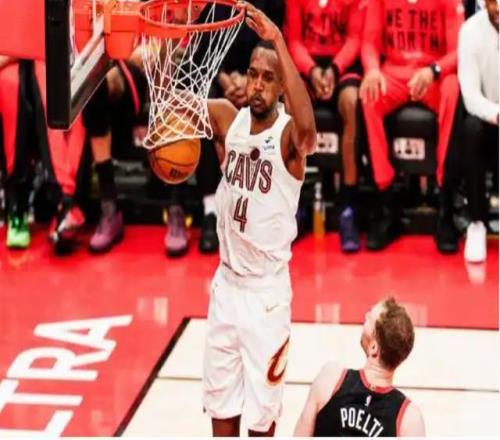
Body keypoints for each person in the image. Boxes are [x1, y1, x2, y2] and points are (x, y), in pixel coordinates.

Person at [201, 2, 316, 436]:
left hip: (266, 296)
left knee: (262, 418)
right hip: (226, 286)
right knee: (220, 405)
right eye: (253, 74)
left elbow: (309, 132)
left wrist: (278, 41)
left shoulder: (288, 137)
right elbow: (181, 106)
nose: (258, 85)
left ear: (282, 87)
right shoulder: (227, 120)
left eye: (269, 78)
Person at [360, 0, 465, 253]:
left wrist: (434, 70)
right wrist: (372, 69)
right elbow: (369, 42)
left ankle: (446, 204)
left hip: (433, 76)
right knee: (369, 94)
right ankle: (387, 202)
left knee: (452, 89)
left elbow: (460, 49)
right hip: (394, 74)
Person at [285, 0, 367, 252]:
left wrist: (334, 69)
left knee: (352, 102)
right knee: (291, 103)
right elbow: (294, 40)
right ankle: (294, 203)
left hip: (341, 65)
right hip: (307, 64)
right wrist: (311, 71)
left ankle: (348, 206)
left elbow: (354, 38)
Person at [294, 298, 425, 437]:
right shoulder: (409, 419)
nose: (365, 316)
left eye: (369, 318)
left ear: (374, 348)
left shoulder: (331, 379)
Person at [0, 57, 87, 253]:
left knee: (53, 84)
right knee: (10, 84)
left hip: (51, 58)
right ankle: (17, 208)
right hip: (8, 62)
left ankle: (66, 203)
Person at [458, 0, 499, 263]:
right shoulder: (471, 30)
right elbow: (470, 96)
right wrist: (497, 114)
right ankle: (476, 223)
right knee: (470, 129)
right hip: (488, 120)